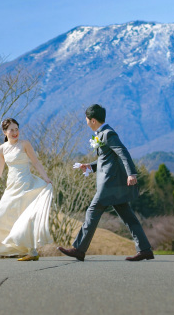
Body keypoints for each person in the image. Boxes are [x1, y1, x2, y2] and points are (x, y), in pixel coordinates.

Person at [58, 104, 153, 262]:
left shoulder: (108, 134)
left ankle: (79, 249)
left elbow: (123, 152)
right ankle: (145, 250)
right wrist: (90, 166)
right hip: (113, 186)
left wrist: (132, 174)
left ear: (92, 120)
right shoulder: (101, 134)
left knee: (92, 211)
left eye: (87, 119)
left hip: (109, 185)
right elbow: (106, 158)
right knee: (129, 217)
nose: (86, 122)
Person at [0, 118, 53, 261]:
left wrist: (46, 178)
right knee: (0, 215)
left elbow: (35, 162)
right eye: (11, 130)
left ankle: (32, 252)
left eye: (17, 129)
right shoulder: (1, 149)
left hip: (26, 185)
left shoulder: (25, 144)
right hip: (11, 186)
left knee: (25, 218)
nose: (15, 132)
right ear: (5, 132)